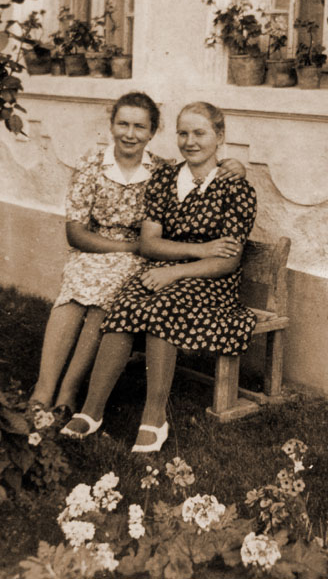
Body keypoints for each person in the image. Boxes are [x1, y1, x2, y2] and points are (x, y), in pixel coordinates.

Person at [29, 93, 245, 424]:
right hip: (98, 249)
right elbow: (76, 234)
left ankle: (68, 393)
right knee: (71, 296)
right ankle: (42, 391)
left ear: (152, 132)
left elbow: (204, 169)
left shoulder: (161, 170)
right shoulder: (91, 165)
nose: (130, 134)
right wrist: (130, 248)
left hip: (142, 257)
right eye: (123, 124)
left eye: (139, 127)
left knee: (105, 299)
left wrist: (234, 165)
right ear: (111, 126)